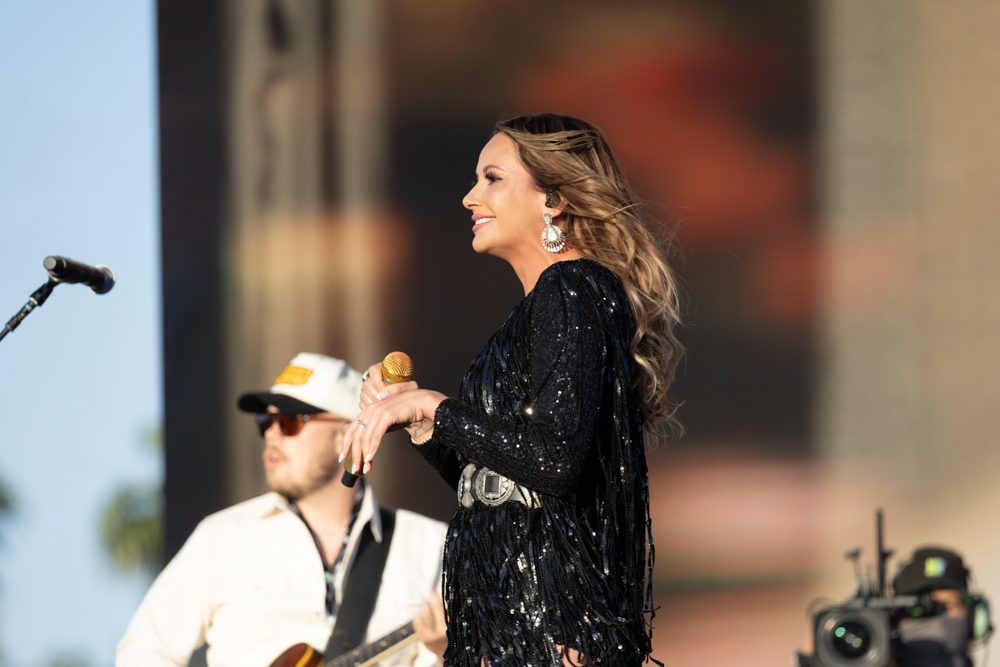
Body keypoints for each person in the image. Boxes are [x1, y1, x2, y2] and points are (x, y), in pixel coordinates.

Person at [340, 114, 683, 665]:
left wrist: (435, 405)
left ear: (555, 199)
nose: (469, 197)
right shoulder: (547, 303)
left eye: (492, 179)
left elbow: (554, 459)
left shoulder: (572, 289)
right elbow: (500, 486)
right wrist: (424, 424)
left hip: (550, 631)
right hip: (506, 629)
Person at [117, 353, 449, 667]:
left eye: (290, 421)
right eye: (265, 421)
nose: (272, 435)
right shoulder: (221, 537)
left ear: (346, 433)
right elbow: (144, 650)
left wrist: (444, 653)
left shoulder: (431, 545)